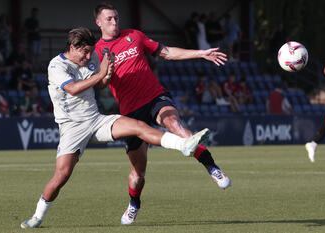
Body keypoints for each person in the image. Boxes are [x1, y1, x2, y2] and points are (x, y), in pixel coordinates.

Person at [20, 27, 210, 228]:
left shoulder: (92, 55)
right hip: (72, 127)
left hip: (95, 119)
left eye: (89, 51)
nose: (88, 56)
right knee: (62, 176)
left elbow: (100, 85)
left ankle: (184, 144)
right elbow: (73, 89)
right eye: (84, 52)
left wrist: (107, 75)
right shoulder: (56, 66)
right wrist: (102, 71)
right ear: (72, 47)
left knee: (138, 126)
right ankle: (37, 217)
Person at [93, 3, 231, 225]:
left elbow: (167, 52)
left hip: (155, 97)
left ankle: (213, 168)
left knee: (175, 125)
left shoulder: (134, 36)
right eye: (109, 19)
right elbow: (100, 85)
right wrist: (106, 74)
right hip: (130, 113)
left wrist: (201, 53)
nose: (114, 21)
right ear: (98, 22)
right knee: (138, 175)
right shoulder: (97, 50)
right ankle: (134, 204)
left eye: (116, 17)